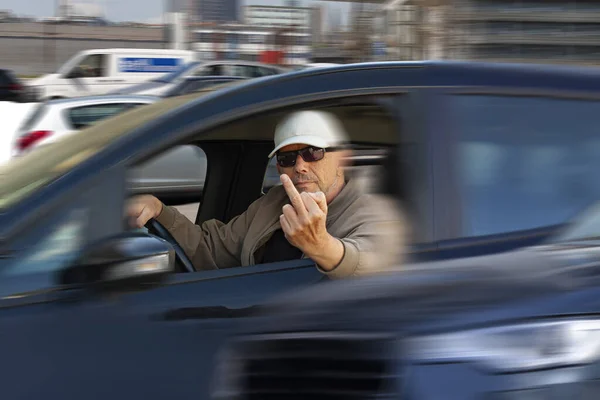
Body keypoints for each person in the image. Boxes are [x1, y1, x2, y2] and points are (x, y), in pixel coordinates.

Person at [127, 110, 409, 278]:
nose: (300, 166)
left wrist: (321, 246)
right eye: (287, 158)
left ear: (342, 158)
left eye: (313, 153)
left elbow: (370, 265)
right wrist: (160, 209)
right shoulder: (273, 203)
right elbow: (213, 250)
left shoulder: (372, 211)